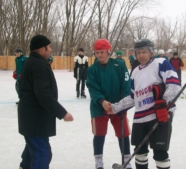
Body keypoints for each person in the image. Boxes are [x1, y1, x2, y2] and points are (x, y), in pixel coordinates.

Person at [107, 39, 181, 169]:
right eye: (139, 52)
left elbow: (174, 86)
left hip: (159, 115)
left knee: (160, 152)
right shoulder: (135, 71)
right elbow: (133, 96)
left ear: (151, 52)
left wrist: (164, 106)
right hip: (140, 117)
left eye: (144, 52)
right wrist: (115, 108)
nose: (141, 55)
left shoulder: (161, 63)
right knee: (140, 152)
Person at [18, 35, 74, 169]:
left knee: (31, 153)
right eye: (48, 47)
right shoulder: (38, 65)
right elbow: (43, 94)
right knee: (42, 155)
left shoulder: (33, 62)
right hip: (35, 120)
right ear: (42, 49)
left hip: (33, 119)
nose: (50, 50)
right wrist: (62, 113)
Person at [86, 39, 132, 169]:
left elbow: (126, 84)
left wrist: (123, 103)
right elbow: (92, 88)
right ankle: (98, 161)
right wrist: (102, 101)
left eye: (102, 52)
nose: (99, 55)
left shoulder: (120, 64)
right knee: (99, 134)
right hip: (99, 107)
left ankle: (127, 161)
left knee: (123, 133)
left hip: (118, 107)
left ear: (108, 51)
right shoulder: (92, 69)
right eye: (97, 52)